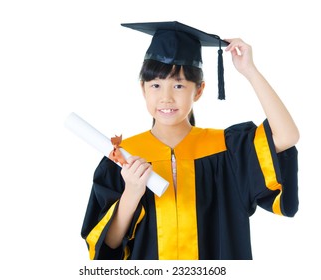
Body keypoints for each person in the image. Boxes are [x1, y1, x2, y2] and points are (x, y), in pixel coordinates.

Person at [81, 21, 299, 260]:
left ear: (199, 90)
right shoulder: (123, 158)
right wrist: (132, 192)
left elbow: (287, 136)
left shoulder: (226, 149)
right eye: (155, 85)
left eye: (178, 85)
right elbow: (107, 248)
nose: (166, 97)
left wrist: (250, 71)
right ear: (143, 89)